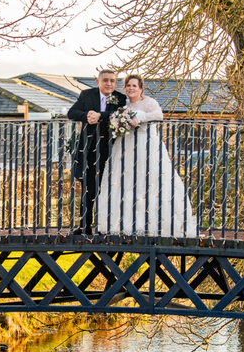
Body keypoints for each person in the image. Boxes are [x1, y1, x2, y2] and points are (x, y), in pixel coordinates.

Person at [96, 74, 198, 238]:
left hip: (146, 146)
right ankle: (121, 222)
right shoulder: (122, 102)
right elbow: (111, 115)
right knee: (125, 181)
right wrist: (120, 121)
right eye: (128, 85)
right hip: (125, 145)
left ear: (141, 88)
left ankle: (153, 223)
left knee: (150, 181)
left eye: (134, 86)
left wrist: (139, 117)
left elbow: (159, 115)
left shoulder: (149, 102)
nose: (131, 88)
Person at [67, 70, 124, 235]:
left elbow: (120, 115)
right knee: (88, 188)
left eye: (113, 81)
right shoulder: (87, 95)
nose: (109, 84)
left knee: (110, 188)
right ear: (97, 82)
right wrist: (87, 116)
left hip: (112, 150)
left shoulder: (119, 97)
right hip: (90, 149)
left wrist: (101, 116)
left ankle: (106, 225)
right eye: (105, 80)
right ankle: (85, 225)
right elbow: (72, 113)